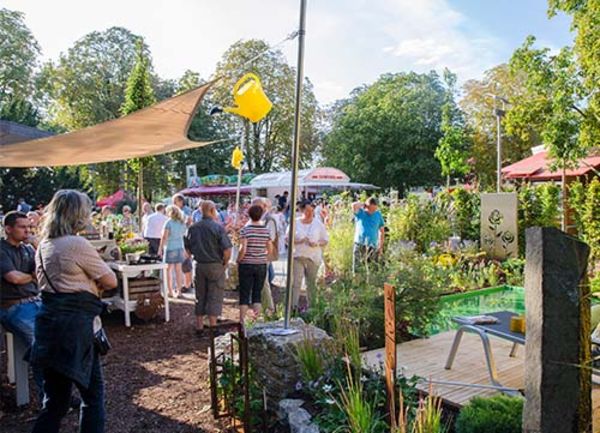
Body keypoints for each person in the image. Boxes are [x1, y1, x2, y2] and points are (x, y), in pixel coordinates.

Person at [30, 189, 118, 433]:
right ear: (77, 214)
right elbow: (111, 281)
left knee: (55, 403)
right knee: (92, 397)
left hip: (49, 327)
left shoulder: (43, 245)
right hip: (76, 330)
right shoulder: (76, 244)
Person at [0, 211, 44, 398]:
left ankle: (60, 389)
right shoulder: (2, 250)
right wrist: (33, 277)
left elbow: (44, 270)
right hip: (13, 307)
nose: (28, 231)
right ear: (8, 229)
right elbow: (14, 278)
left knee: (63, 333)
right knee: (41, 346)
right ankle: (50, 397)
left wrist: (36, 244)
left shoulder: (27, 249)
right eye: (22, 227)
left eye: (29, 227)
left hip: (36, 302)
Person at [184, 201, 232, 335]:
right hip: (215, 264)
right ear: (212, 210)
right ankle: (213, 326)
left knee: (200, 295)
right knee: (215, 295)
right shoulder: (218, 228)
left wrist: (194, 254)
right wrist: (225, 262)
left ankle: (199, 326)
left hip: (198, 265)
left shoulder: (192, 228)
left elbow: (187, 248)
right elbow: (227, 249)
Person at [288, 201, 329, 309]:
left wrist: (316, 243)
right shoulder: (295, 223)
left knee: (311, 284)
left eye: (311, 210)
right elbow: (287, 239)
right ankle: (293, 307)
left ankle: (312, 307)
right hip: (298, 256)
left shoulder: (318, 224)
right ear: (301, 210)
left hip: (313, 257)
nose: (310, 213)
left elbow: (325, 240)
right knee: (296, 282)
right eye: (307, 210)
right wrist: (298, 240)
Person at [237, 204, 271, 324]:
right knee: (257, 293)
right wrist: (264, 256)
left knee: (244, 293)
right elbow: (270, 248)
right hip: (261, 264)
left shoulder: (245, 230)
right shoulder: (266, 230)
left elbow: (243, 249)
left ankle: (242, 321)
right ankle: (257, 320)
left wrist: (239, 259)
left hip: (246, 264)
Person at [159, 205, 187, 298]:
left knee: (168, 271)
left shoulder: (168, 223)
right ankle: (179, 291)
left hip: (170, 247)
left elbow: (164, 237)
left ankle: (170, 291)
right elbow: (183, 234)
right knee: (179, 271)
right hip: (180, 247)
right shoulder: (181, 223)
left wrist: (160, 248)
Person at [352, 197, 385, 274]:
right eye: (371, 209)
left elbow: (382, 231)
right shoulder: (360, 213)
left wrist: (380, 246)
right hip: (360, 245)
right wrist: (364, 204)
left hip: (372, 246)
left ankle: (372, 285)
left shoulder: (378, 215)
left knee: (372, 269)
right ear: (367, 206)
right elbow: (353, 205)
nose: (372, 211)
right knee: (357, 269)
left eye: (374, 209)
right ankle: (357, 284)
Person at [173, 194, 193, 292]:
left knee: (186, 263)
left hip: (184, 239)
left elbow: (188, 223)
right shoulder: (177, 211)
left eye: (176, 201)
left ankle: (188, 285)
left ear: (180, 201)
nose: (174, 203)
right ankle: (184, 285)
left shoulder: (185, 211)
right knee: (181, 264)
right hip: (180, 239)